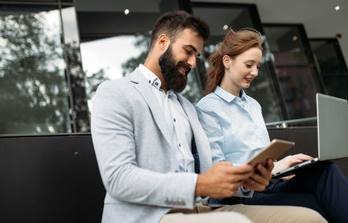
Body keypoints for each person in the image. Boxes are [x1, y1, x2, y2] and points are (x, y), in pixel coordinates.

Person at [91, 11, 326, 223]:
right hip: (145, 215)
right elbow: (118, 179)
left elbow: (210, 175)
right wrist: (200, 184)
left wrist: (246, 180)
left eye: (197, 55)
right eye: (188, 51)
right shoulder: (115, 92)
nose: (193, 63)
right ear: (163, 42)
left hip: (199, 208)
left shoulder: (187, 108)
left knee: (309, 218)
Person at [196, 27, 348, 223]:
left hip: (268, 184)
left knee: (326, 171)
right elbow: (215, 170)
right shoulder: (207, 108)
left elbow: (261, 155)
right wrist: (275, 169)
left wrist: (281, 168)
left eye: (258, 66)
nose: (255, 72)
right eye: (249, 64)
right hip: (241, 196)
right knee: (316, 203)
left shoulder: (253, 105)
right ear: (227, 61)